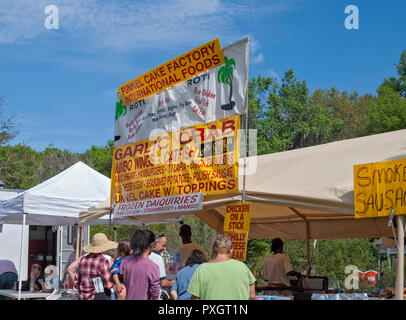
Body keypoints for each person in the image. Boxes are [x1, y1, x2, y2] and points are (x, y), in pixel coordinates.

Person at [188, 234, 256, 300]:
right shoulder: (243, 267)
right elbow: (252, 296)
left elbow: (195, 298)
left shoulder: (201, 270)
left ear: (213, 250)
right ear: (231, 250)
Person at [74, 233, 118, 300]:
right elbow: (108, 284)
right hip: (97, 296)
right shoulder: (103, 261)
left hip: (83, 296)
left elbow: (76, 283)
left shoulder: (82, 260)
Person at [119, 230, 160, 300]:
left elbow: (117, 279)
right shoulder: (152, 266)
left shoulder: (125, 261)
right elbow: (155, 293)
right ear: (152, 244)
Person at [149, 233, 174, 298]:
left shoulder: (145, 255)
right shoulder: (157, 257)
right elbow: (163, 283)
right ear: (156, 243)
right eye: (163, 245)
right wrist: (173, 283)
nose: (165, 248)